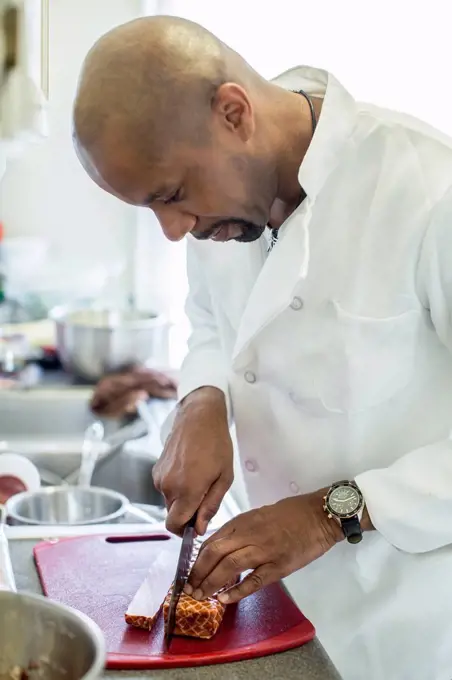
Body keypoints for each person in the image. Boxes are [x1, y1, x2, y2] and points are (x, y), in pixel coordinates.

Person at [72, 16, 452, 680]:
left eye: (172, 196)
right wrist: (202, 398)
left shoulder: (427, 192)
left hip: (412, 631)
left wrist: (330, 513)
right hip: (280, 614)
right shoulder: (219, 209)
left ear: (234, 113)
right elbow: (214, 325)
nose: (172, 231)